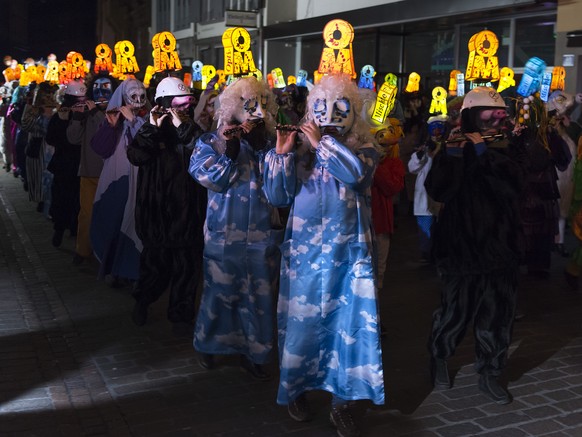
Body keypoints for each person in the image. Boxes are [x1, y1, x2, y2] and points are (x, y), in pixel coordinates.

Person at [263, 73, 385, 437]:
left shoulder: (364, 147)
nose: (329, 116)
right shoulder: (300, 152)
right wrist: (281, 157)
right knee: (301, 326)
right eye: (321, 108)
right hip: (305, 257)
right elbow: (277, 196)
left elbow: (357, 177)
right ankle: (296, 388)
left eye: (339, 108)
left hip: (349, 255)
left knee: (347, 326)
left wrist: (322, 146)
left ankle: (345, 401)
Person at [425, 86, 525, 405]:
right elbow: (439, 191)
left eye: (498, 113)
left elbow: (513, 187)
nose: (495, 118)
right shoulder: (452, 145)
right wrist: (453, 153)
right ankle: (439, 358)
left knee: (497, 314)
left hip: (500, 246)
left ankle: (491, 372)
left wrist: (483, 152)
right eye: (487, 112)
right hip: (461, 246)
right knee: (454, 311)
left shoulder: (509, 146)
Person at [189, 76, 282, 378]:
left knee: (259, 295)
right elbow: (208, 177)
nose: (254, 113)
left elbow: (282, 186)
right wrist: (229, 152)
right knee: (219, 292)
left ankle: (255, 352)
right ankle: (209, 345)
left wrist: (265, 150)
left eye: (259, 105)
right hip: (223, 233)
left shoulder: (269, 142)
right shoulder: (211, 140)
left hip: (260, 235)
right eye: (248, 105)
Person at [128, 76, 206, 337]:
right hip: (157, 215)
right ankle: (142, 300)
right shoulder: (152, 128)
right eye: (179, 104)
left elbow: (202, 150)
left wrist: (182, 124)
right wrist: (151, 127)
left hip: (188, 215)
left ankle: (181, 317)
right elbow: (136, 155)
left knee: (187, 270)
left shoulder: (193, 128)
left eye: (188, 103)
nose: (184, 108)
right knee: (154, 267)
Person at [90, 77, 148, 286]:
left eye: (142, 96)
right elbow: (100, 148)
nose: (138, 101)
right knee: (113, 222)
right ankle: (113, 268)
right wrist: (110, 127)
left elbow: (146, 148)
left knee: (135, 225)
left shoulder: (146, 121)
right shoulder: (112, 119)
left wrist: (134, 122)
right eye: (133, 97)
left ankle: (132, 270)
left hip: (139, 182)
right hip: (116, 181)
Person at [67, 74, 117, 265]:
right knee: (86, 214)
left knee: (109, 215)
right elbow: (73, 138)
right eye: (96, 88)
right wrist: (77, 118)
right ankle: (83, 250)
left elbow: (107, 128)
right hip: (88, 171)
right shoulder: (87, 112)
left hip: (110, 173)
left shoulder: (116, 110)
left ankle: (107, 253)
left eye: (105, 87)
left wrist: (96, 112)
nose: (100, 92)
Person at [45, 79, 85, 248]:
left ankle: (64, 229)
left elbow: (50, 138)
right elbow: (51, 138)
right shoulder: (67, 115)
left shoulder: (80, 114)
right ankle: (64, 229)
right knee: (70, 198)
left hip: (71, 163)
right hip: (72, 163)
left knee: (68, 198)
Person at [370, 117, 405, 292]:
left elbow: (392, 187)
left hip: (381, 222)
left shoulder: (393, 163)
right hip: (360, 223)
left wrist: (376, 166)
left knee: (378, 269)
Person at [407, 115, 446, 262]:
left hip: (441, 196)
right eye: (433, 128)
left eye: (439, 128)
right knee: (426, 230)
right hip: (424, 198)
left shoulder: (448, 145)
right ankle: (427, 254)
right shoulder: (424, 148)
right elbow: (412, 168)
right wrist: (422, 154)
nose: (437, 131)